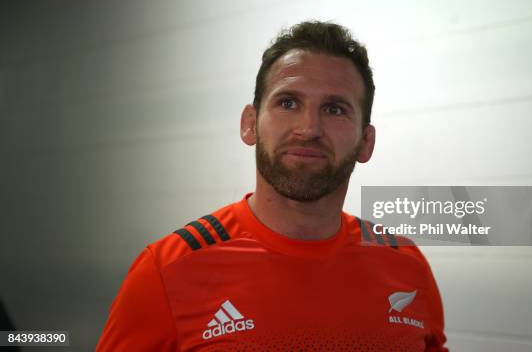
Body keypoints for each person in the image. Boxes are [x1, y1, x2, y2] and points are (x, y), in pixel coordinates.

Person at [96, 21, 448, 351]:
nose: (309, 128)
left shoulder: (407, 266)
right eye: (288, 102)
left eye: (335, 109)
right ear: (250, 125)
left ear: (366, 142)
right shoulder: (165, 271)